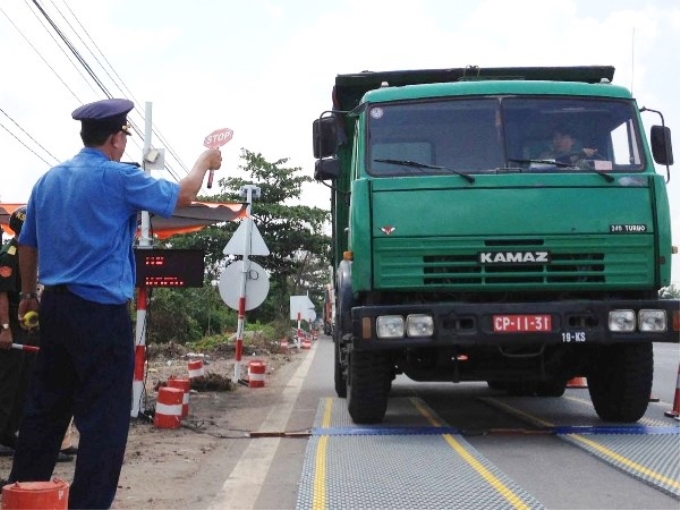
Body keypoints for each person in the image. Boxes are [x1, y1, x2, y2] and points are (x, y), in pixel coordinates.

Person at [10, 98, 222, 509]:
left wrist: (27, 294)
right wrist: (204, 159)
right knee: (103, 421)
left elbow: (27, 243)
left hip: (54, 309)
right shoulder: (118, 178)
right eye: (125, 134)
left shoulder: (48, 181)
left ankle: (23, 498)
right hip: (101, 316)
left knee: (44, 412)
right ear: (116, 138)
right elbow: (185, 193)